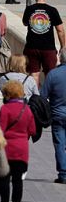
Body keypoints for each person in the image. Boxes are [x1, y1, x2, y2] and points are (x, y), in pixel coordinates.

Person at [0, 81, 36, 202]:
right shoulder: (27, 109)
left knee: (4, 180)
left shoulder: (5, 109)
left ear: (8, 94)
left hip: (6, 149)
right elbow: (33, 130)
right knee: (18, 180)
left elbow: (0, 130)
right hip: (21, 150)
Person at [22, 0, 65, 77]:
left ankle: (35, 91)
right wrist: (62, 46)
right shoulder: (52, 10)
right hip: (48, 48)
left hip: (32, 46)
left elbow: (25, 23)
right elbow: (60, 30)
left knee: (34, 74)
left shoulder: (29, 9)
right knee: (50, 75)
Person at [41, 49, 66, 184]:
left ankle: (63, 174)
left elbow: (43, 96)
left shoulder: (53, 74)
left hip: (57, 114)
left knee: (60, 143)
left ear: (60, 58)